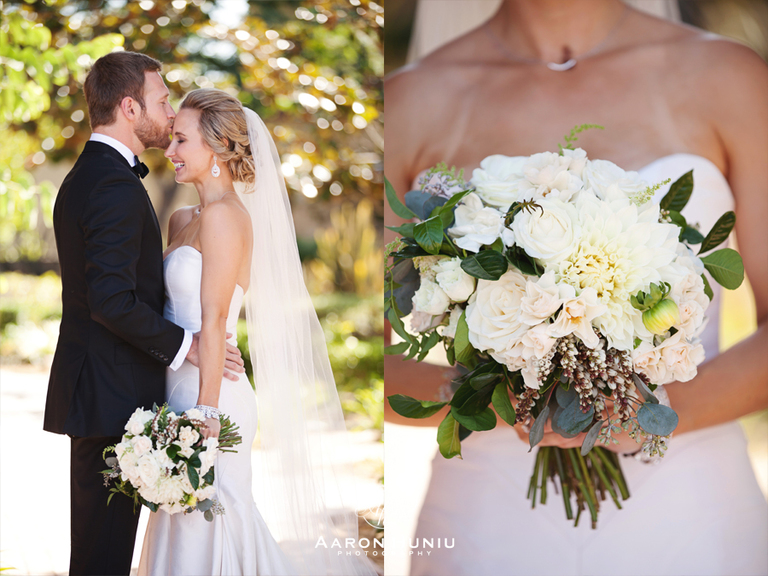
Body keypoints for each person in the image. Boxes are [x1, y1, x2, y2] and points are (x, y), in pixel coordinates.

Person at [384, 0, 768, 574]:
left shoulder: (729, 76)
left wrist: (644, 411)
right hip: (485, 514)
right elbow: (375, 361)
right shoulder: (409, 100)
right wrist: (492, 398)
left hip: (692, 508)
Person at [137, 89, 378, 576]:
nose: (170, 150)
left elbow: (215, 318)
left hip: (212, 400)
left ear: (220, 148)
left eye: (182, 140)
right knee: (177, 517)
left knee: (210, 516)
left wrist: (205, 416)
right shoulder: (183, 218)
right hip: (173, 386)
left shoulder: (228, 217)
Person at [44, 51, 245, 576]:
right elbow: (112, 300)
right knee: (103, 554)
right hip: (112, 397)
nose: (169, 115)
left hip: (119, 393)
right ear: (130, 108)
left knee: (101, 550)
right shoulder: (112, 183)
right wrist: (191, 345)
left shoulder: (96, 175)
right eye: (161, 102)